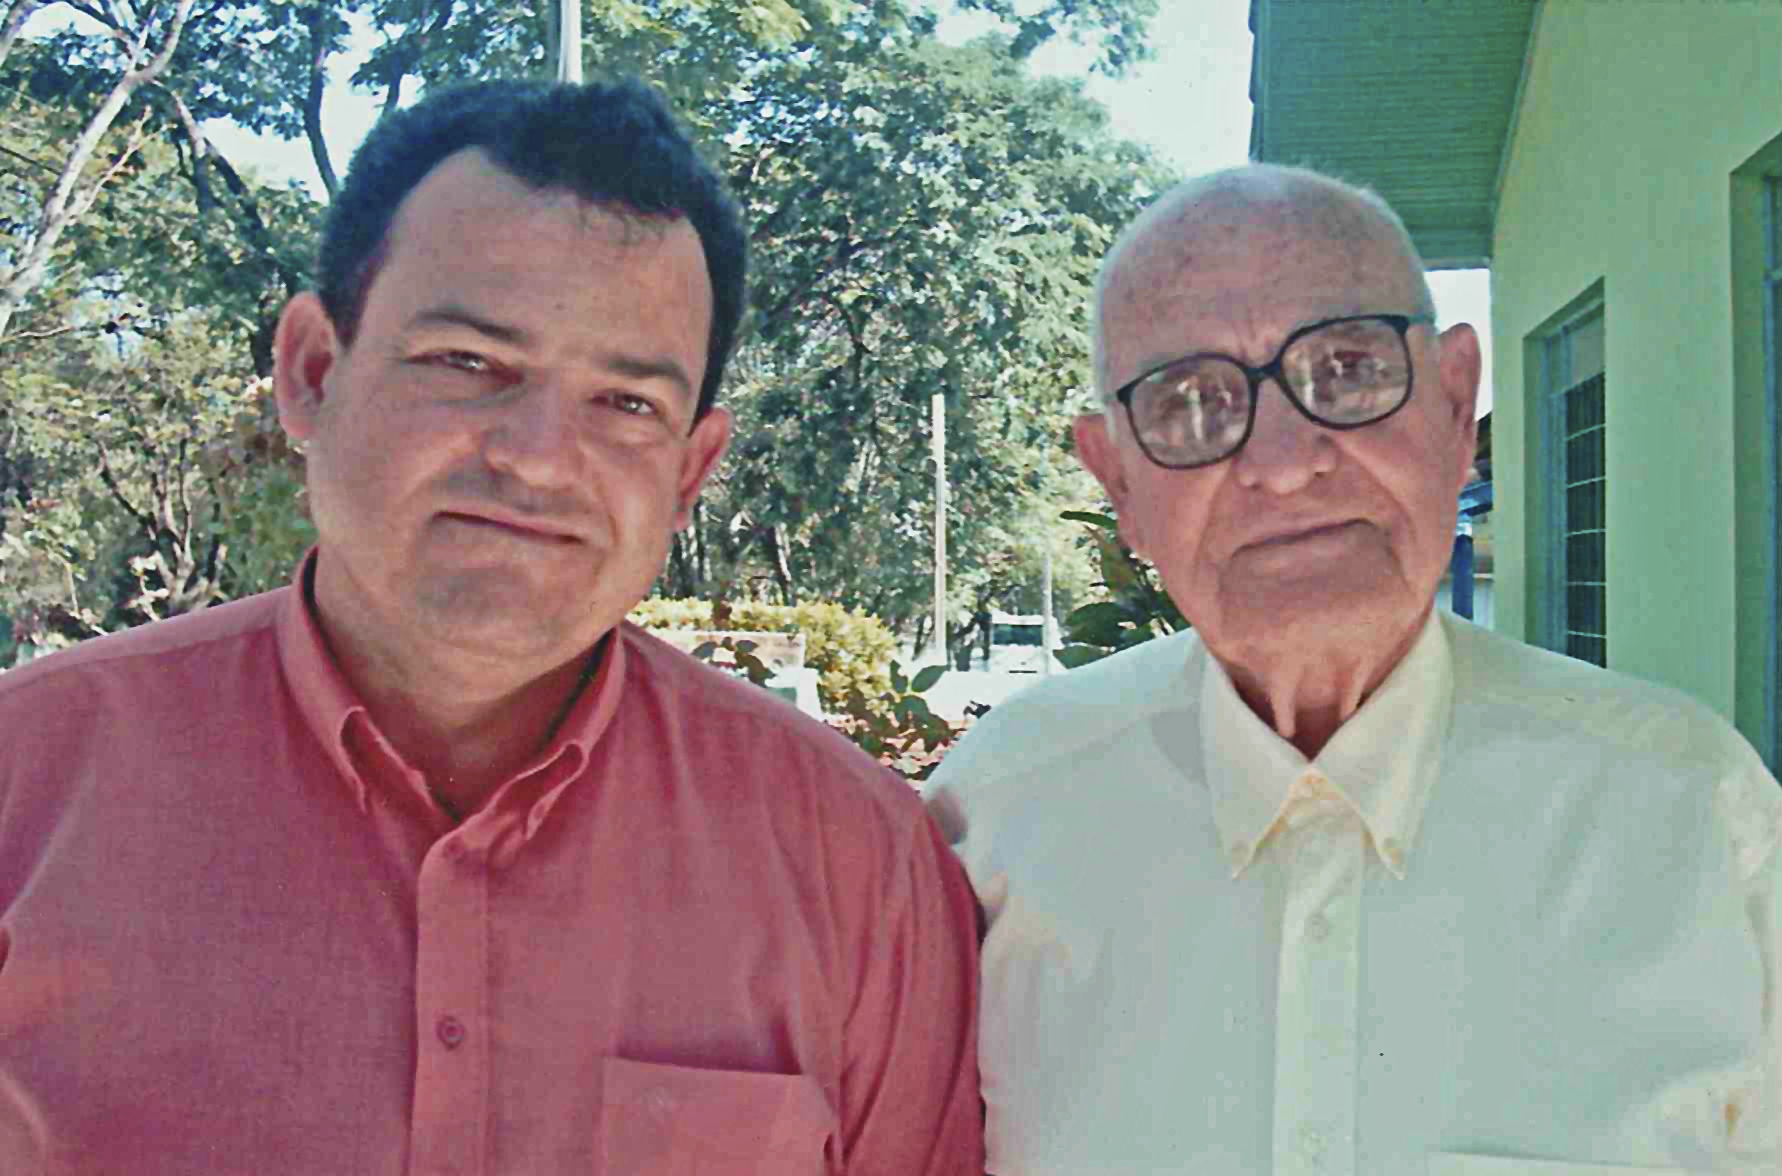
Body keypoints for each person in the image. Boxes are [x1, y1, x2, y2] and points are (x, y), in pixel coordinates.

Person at [0, 78, 981, 1174]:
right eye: (468, 363)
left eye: (627, 403)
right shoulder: (24, 788)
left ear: (691, 470)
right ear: (312, 372)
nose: (539, 457)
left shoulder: (853, 862)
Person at [926, 164, 1779, 1174]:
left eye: (1346, 370)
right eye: (1189, 403)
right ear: (1118, 480)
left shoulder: (1695, 817)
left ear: (1456, 406)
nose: (1286, 462)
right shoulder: (995, 823)